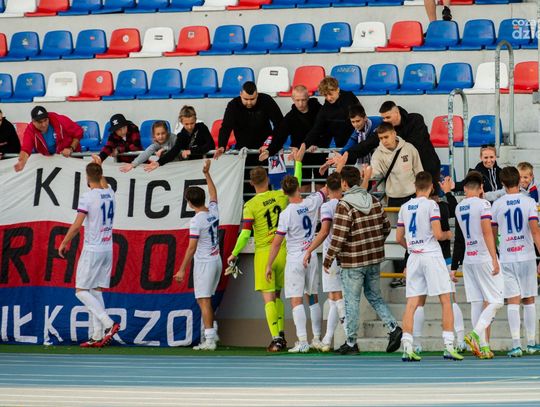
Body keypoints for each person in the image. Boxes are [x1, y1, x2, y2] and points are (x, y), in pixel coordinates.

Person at [226, 147, 305, 352]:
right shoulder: (280, 196)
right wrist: (298, 162)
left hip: (264, 254)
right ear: (268, 179)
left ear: (251, 183)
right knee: (278, 295)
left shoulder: (250, 205)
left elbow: (245, 234)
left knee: (268, 298)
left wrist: (234, 253)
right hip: (284, 251)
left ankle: (276, 338)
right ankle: (282, 334)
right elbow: (296, 182)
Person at [323, 165, 403, 355]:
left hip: (352, 262)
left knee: (351, 301)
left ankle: (351, 342)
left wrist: (328, 258)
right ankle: (393, 327)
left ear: (344, 183)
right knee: (374, 296)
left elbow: (339, 236)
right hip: (374, 258)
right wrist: (375, 245)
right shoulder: (374, 201)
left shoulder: (344, 205)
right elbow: (386, 227)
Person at [396, 171, 463, 362]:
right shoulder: (431, 205)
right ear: (432, 187)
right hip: (432, 255)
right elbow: (438, 234)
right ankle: (449, 345)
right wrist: (448, 235)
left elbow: (398, 237)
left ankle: (408, 346)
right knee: (446, 299)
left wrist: (412, 247)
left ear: (414, 186)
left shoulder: (405, 207)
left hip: (414, 256)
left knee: (412, 303)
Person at [58, 162, 120, 348]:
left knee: (81, 291)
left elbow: (77, 225)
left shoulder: (87, 197)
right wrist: (100, 168)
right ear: (101, 175)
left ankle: (109, 324)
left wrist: (64, 242)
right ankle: (97, 335)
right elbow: (104, 183)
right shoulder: (110, 192)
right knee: (95, 290)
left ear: (87, 177)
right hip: (107, 248)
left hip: (93, 249)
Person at [266, 175, 326, 353]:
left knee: (296, 299)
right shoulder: (312, 202)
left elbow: (277, 243)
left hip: (295, 259)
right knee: (313, 297)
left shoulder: (286, 214)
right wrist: (337, 167)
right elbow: (326, 189)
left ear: (284, 192)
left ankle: (303, 341)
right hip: (311, 254)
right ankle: (317, 338)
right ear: (299, 187)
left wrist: (268, 264)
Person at [452, 171, 504, 359]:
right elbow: (487, 232)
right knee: (497, 300)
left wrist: (454, 266)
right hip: (483, 257)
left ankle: (483, 346)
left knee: (476, 302)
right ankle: (475, 334)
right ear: (481, 188)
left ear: (465, 189)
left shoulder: (459, 207)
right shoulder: (484, 204)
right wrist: (494, 258)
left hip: (469, 258)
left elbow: (460, 238)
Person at [412, 177, 466, 355]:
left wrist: (407, 260)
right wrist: (448, 192)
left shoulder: (413, 207)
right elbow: (454, 210)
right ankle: (459, 340)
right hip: (442, 257)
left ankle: (416, 343)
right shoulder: (440, 206)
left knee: (418, 301)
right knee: (449, 299)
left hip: (420, 255)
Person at [491, 166, 540, 357]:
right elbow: (535, 231)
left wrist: (494, 255)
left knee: (513, 300)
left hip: (507, 256)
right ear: (519, 181)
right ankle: (532, 343)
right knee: (529, 299)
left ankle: (516, 344)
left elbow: (492, 233)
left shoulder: (497, 204)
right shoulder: (529, 202)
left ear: (502, 183)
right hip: (527, 255)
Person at [174, 160, 221, 351]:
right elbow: (214, 193)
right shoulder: (213, 211)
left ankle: (209, 339)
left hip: (205, 263)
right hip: (216, 259)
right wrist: (207, 174)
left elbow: (191, 247)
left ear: (189, 203)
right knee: (205, 299)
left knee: (204, 300)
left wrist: (181, 269)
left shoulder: (196, 221)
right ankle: (211, 331)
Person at [339, 101, 440, 186]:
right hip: (404, 175)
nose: (385, 121)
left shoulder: (416, 120)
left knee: (432, 199)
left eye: (388, 117)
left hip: (427, 166)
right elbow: (367, 144)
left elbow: (416, 144)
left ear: (397, 113)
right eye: (383, 118)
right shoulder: (385, 128)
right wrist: (347, 154)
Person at [302, 172, 345, 352]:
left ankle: (350, 338)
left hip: (331, 254)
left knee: (337, 296)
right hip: (345, 252)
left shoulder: (327, 206)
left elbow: (324, 231)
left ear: (327, 188)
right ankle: (327, 339)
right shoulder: (346, 203)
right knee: (333, 297)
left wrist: (309, 249)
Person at [263, 85, 322, 192]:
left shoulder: (319, 110)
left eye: (303, 100)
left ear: (308, 97)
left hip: (319, 152)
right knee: (303, 186)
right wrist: (269, 151)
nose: (301, 103)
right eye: (297, 100)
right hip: (300, 155)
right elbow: (279, 137)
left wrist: (317, 144)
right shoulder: (290, 117)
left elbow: (325, 130)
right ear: (292, 99)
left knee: (321, 185)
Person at [213, 81, 283, 159]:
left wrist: (269, 144)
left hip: (264, 149)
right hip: (243, 149)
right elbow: (226, 127)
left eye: (252, 99)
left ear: (257, 95)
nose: (249, 102)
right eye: (245, 99)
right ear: (240, 94)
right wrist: (222, 146)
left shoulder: (266, 100)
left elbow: (280, 124)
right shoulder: (233, 105)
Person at [370, 122, 423, 208]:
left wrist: (421, 192)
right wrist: (367, 172)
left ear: (394, 134)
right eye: (381, 138)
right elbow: (375, 172)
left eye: (386, 137)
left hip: (412, 194)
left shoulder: (409, 148)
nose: (384, 141)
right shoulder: (377, 154)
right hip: (393, 197)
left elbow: (419, 171)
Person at [145, 107, 214, 172]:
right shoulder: (181, 135)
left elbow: (211, 145)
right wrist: (159, 162)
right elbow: (174, 151)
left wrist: (191, 151)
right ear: (181, 122)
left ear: (195, 120)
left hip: (207, 164)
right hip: (191, 167)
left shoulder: (202, 127)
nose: (189, 127)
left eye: (192, 123)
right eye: (186, 124)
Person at [14, 106, 82, 172]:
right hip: (50, 163)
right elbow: (26, 148)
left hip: (70, 159)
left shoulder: (60, 120)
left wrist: (71, 148)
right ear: (33, 122)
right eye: (40, 122)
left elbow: (79, 132)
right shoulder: (30, 131)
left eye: (45, 120)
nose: (44, 124)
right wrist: (22, 161)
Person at [303, 77, 361, 151]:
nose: (329, 98)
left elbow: (361, 117)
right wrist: (304, 145)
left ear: (337, 89)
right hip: (341, 143)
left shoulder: (349, 97)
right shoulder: (325, 109)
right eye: (325, 95)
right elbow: (316, 129)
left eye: (330, 94)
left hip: (357, 138)